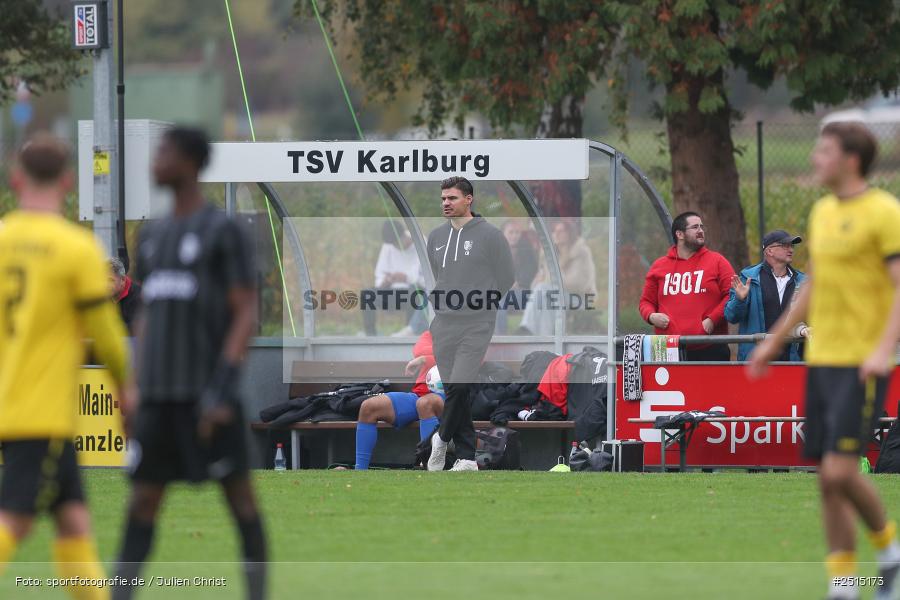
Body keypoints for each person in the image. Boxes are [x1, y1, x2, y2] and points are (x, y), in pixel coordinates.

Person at [113, 127, 267, 600]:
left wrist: (222, 388)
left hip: (207, 396)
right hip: (159, 398)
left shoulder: (224, 230)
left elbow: (246, 312)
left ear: (190, 163)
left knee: (240, 501)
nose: (155, 161)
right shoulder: (152, 235)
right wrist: (134, 387)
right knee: (142, 501)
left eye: (164, 152)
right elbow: (145, 317)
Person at [748, 122, 900, 600]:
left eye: (825, 150)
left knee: (840, 471)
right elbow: (814, 286)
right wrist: (774, 342)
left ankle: (890, 553)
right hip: (823, 363)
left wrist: (882, 350)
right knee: (827, 481)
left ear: (850, 159)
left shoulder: (884, 212)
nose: (815, 158)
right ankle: (844, 585)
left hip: (861, 363)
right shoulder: (822, 213)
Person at [0, 133, 133, 599]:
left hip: (9, 400)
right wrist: (127, 388)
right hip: (43, 412)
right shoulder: (74, 249)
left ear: (17, 179)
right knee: (13, 519)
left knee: (73, 517)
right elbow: (110, 335)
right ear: (66, 181)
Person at [425, 176, 514, 472]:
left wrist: (482, 304)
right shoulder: (436, 237)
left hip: (477, 323)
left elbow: (506, 278)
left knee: (460, 385)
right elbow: (440, 274)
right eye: (443, 199)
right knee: (454, 390)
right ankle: (465, 458)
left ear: (468, 199)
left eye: (452, 198)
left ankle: (441, 438)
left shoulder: (490, 235)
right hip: (444, 324)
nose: (446, 204)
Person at [639, 211, 735, 361]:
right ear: (680, 234)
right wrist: (651, 316)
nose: (701, 231)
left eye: (702, 227)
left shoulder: (718, 261)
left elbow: (732, 295)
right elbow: (646, 302)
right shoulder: (659, 266)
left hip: (710, 347)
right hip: (668, 349)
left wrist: (712, 319)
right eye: (695, 227)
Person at [355, 330, 444, 469]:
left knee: (425, 403)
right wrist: (434, 354)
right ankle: (360, 470)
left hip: (451, 398)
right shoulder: (432, 332)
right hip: (419, 396)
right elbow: (420, 350)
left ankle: (428, 466)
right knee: (368, 407)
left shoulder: (469, 331)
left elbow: (467, 359)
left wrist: (425, 359)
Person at [725, 230, 809, 361]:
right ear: (769, 251)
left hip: (793, 360)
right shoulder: (748, 278)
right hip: (758, 359)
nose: (791, 249)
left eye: (792, 245)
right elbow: (731, 316)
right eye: (785, 245)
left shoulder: (803, 281)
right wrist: (740, 300)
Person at [518, 219, 597, 335]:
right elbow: (535, 285)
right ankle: (546, 339)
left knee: (545, 292)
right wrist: (539, 282)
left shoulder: (581, 252)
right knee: (545, 299)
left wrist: (550, 282)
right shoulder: (550, 255)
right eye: (554, 231)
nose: (557, 234)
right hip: (554, 296)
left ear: (570, 233)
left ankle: (527, 328)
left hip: (580, 298)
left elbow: (580, 283)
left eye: (561, 231)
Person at [364, 220, 427, 337]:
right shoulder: (388, 245)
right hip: (392, 292)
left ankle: (410, 333)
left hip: (413, 293)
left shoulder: (421, 242)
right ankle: (370, 335)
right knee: (367, 294)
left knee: (415, 292)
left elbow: (427, 280)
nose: (395, 246)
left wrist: (406, 278)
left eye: (397, 243)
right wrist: (384, 282)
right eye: (393, 244)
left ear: (404, 235)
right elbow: (380, 273)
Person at [109, 257, 142, 334]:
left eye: (110, 280)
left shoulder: (139, 296)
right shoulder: (101, 296)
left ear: (122, 280)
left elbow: (137, 328)